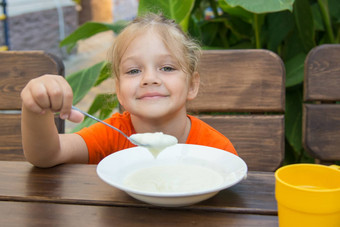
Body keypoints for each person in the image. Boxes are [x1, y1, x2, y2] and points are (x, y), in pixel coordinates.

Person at [21, 13, 237, 168]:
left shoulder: (216, 150)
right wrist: (34, 109)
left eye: (167, 68)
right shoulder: (111, 135)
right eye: (134, 71)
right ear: (119, 91)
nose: (149, 79)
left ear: (192, 85)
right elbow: (49, 154)